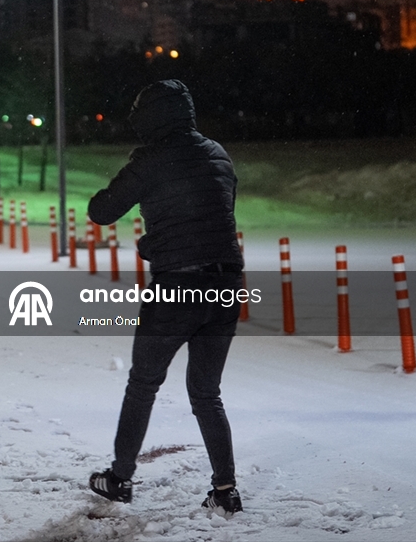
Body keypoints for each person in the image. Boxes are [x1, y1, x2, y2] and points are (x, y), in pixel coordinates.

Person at [86, 79, 244, 514]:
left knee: (143, 383)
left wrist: (152, 237)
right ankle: (226, 490)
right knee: (207, 392)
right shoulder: (217, 153)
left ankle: (119, 478)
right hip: (226, 284)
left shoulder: (150, 158)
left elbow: (102, 210)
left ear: (151, 117)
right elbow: (215, 214)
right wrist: (156, 242)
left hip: (177, 287)